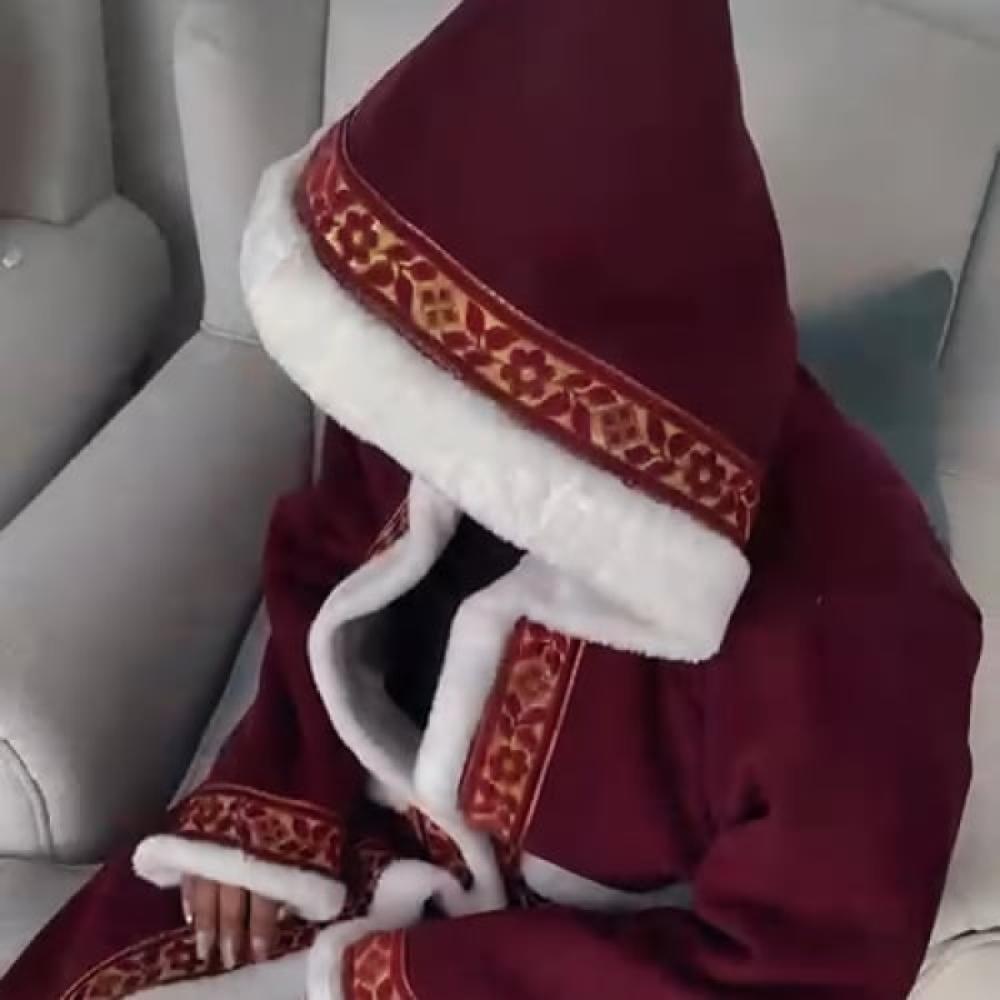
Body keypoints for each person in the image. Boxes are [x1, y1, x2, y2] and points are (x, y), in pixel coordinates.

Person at [0, 1, 981, 997]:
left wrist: (415, 978)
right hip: (367, 849)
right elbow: (329, 551)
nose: (381, 418)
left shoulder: (859, 613)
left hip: (586, 960)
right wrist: (269, 799)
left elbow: (802, 968)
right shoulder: (415, 371)